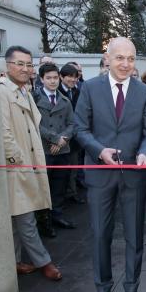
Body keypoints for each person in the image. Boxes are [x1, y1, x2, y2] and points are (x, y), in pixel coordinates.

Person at [75, 37, 146, 292]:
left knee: (135, 235)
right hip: (100, 175)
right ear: (107, 58)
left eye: (131, 59)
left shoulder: (144, 92)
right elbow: (80, 129)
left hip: (134, 175)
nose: (126, 64)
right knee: (100, 234)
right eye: (120, 58)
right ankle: (102, 289)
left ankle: (132, 289)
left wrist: (145, 153)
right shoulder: (89, 88)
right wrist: (99, 151)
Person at [0, 45, 63, 281]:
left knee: (17, 217)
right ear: (7, 66)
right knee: (25, 217)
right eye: (20, 64)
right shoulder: (1, 90)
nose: (26, 69)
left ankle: (14, 261)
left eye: (29, 64)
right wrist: (19, 159)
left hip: (29, 162)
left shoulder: (24, 90)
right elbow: (4, 132)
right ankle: (43, 261)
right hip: (16, 166)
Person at [34, 63, 76, 233]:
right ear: (42, 79)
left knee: (60, 185)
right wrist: (54, 139)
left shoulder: (65, 100)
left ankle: (58, 215)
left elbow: (72, 123)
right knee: (44, 187)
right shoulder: (34, 98)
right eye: (48, 78)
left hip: (62, 149)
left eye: (55, 77)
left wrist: (62, 140)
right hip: (44, 149)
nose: (52, 81)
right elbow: (35, 123)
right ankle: (44, 221)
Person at [59, 64, 85, 204]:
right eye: (69, 76)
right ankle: (60, 197)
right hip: (59, 138)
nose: (72, 80)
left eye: (75, 77)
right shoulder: (56, 92)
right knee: (60, 171)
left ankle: (72, 192)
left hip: (75, 138)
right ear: (61, 77)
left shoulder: (78, 91)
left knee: (74, 167)